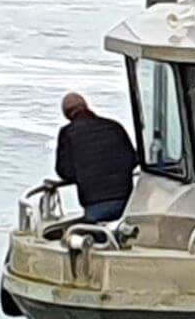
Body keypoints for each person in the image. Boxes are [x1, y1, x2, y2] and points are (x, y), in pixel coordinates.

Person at [55, 92, 137, 223]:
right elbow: (133, 159)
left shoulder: (67, 133)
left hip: (95, 205)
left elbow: (65, 171)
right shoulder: (114, 126)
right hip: (127, 202)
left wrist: (84, 174)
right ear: (86, 106)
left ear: (66, 115)